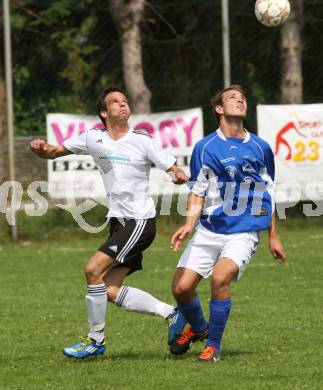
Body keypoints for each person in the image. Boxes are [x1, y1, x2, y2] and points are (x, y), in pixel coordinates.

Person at [30, 86, 187, 358]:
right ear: (104, 112)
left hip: (138, 222)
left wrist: (176, 173)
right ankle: (172, 314)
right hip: (119, 222)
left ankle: (95, 341)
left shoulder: (142, 141)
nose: (123, 105)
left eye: (125, 102)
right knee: (109, 290)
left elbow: (172, 166)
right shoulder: (93, 138)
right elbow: (55, 152)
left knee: (92, 270)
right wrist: (41, 149)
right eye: (116, 102)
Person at [169, 85, 286, 362]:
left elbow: (267, 194)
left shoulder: (261, 147)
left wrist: (273, 236)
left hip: (242, 232)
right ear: (219, 109)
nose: (240, 99)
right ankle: (199, 328)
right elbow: (197, 191)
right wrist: (188, 225)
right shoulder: (205, 147)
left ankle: (214, 346)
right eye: (233, 97)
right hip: (208, 229)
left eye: (243, 97)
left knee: (220, 279)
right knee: (181, 289)